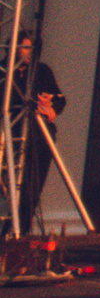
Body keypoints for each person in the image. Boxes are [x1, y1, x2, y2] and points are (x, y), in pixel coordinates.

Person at [8, 29, 65, 235]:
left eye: (31, 48)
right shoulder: (5, 70)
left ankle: (21, 232)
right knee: (11, 190)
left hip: (38, 137)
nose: (27, 52)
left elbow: (59, 99)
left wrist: (50, 108)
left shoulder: (41, 71)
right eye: (24, 47)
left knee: (31, 189)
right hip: (11, 134)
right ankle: (9, 229)